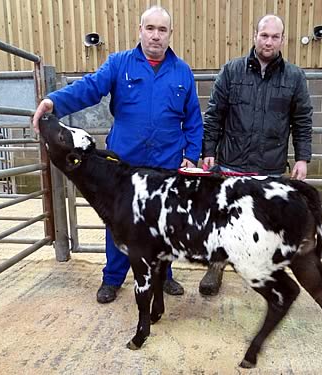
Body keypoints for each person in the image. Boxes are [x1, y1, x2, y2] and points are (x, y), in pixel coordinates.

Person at [32, 6, 203, 303]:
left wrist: (193, 154)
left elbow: (193, 119)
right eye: (150, 28)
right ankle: (113, 277)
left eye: (162, 30)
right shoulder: (119, 63)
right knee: (118, 221)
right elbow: (89, 88)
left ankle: (164, 275)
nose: (155, 35)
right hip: (125, 164)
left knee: (165, 222)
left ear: (170, 34)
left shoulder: (182, 72)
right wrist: (52, 102)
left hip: (165, 164)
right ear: (140, 30)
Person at [199, 14, 313, 296]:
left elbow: (302, 120)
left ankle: (263, 272)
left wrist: (302, 157)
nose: (269, 41)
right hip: (231, 164)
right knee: (223, 221)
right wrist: (208, 151)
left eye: (275, 37)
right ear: (255, 36)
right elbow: (214, 114)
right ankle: (216, 267)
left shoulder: (294, 77)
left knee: (266, 223)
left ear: (283, 40)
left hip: (270, 166)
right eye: (264, 35)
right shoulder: (231, 71)